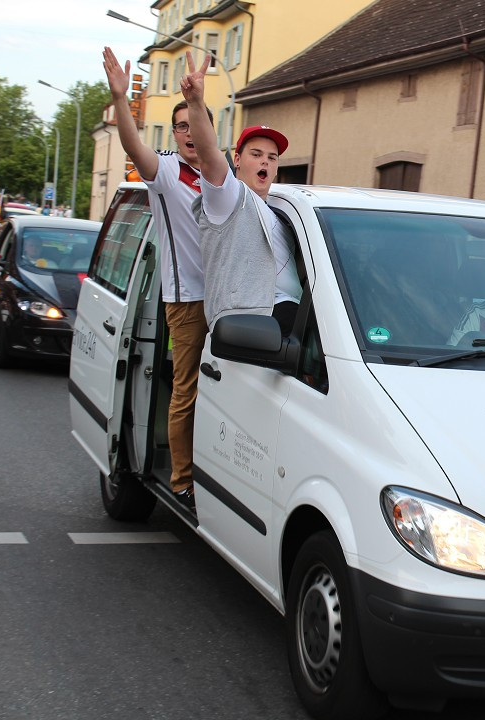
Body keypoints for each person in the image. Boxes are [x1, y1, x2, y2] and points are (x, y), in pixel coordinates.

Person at [103, 46, 212, 509]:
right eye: (182, 125)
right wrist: (123, 99)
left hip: (228, 301)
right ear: (173, 133)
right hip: (186, 300)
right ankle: (183, 480)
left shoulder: (218, 171)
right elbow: (132, 147)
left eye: (196, 123)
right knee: (186, 389)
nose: (189, 133)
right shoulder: (166, 170)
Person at [180, 51, 302, 332]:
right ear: (236, 160)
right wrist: (196, 103)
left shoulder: (283, 209)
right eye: (256, 154)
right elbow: (209, 154)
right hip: (253, 323)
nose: (265, 162)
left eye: (272, 158)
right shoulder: (230, 198)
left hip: (291, 314)